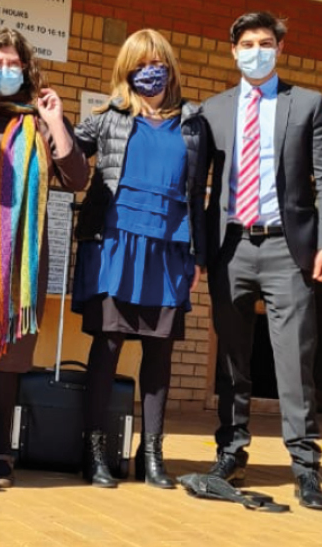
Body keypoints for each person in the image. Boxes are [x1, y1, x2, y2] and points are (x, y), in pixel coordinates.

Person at [201, 11, 322, 512]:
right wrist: (201, 251)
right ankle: (230, 452)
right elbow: (200, 186)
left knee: (294, 361)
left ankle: (305, 467)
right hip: (232, 248)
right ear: (233, 50)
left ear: (280, 49)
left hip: (289, 248)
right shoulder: (213, 110)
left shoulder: (306, 104)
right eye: (246, 43)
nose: (255, 50)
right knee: (233, 361)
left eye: (265, 42)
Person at [72, 29, 207, 489]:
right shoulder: (106, 119)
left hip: (169, 248)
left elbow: (201, 193)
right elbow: (66, 156)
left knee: (159, 356)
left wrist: (199, 256)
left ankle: (151, 456)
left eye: (158, 62)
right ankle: (94, 454)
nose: (151, 71)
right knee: (107, 349)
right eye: (140, 64)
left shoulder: (194, 122)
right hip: (115, 243)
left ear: (170, 67)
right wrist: (48, 120)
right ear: (126, 71)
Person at [0, 29, 88, 487]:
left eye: (14, 64)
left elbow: (76, 178)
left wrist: (55, 122)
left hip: (17, 265)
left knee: (6, 358)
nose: (6, 72)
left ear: (27, 69)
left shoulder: (38, 120)